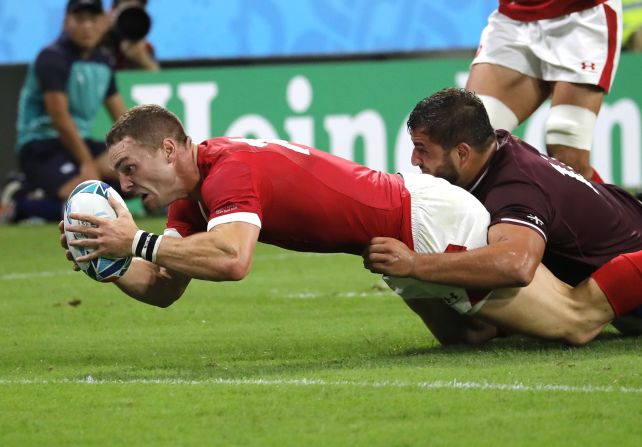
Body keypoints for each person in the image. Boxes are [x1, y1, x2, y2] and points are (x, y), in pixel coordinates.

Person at [60, 104, 642, 346]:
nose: (127, 185)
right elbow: (163, 286)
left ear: (168, 148)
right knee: (471, 340)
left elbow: (233, 261)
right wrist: (104, 260)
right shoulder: (191, 198)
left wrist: (130, 240)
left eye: (130, 168)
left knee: (574, 322)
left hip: (424, 224)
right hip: (398, 231)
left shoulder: (228, 173)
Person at [363, 87, 642, 343]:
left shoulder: (514, 190)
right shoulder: (497, 148)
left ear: (462, 153)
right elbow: (469, 333)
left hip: (633, 273)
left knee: (578, 321)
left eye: (422, 149)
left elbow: (516, 265)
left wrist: (414, 264)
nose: (414, 159)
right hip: (621, 240)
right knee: (470, 331)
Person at [466, 0, 623, 181]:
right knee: (472, 138)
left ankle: (620, 210)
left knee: (567, 155)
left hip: (581, 15)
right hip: (513, 18)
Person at [3, 0, 127, 224]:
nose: (87, 26)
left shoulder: (104, 61)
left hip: (80, 142)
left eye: (93, 19)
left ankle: (33, 189)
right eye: (80, 19)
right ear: (66, 23)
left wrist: (141, 158)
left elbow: (124, 119)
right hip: (42, 144)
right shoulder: (52, 57)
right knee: (87, 205)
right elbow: (60, 120)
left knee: (133, 179)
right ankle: (19, 205)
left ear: (104, 22)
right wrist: (87, 164)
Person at [100, 0, 159, 71]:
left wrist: (144, 60)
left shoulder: (144, 48)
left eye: (135, 12)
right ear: (112, 12)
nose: (130, 19)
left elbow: (159, 80)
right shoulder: (98, 41)